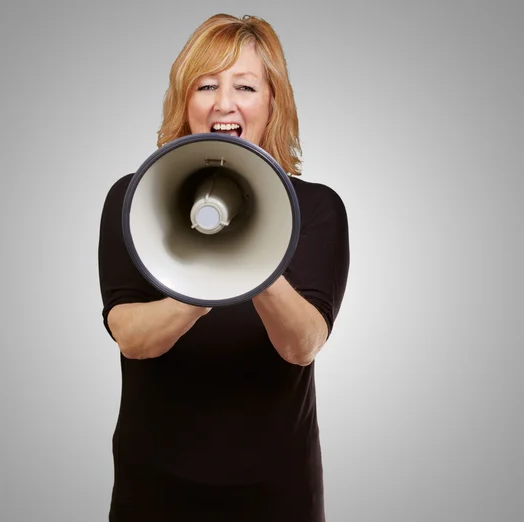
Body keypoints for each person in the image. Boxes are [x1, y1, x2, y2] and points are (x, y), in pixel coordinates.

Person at [98, 13, 350, 522]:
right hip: (154, 491)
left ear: (273, 102)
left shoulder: (319, 208)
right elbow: (132, 337)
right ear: (184, 101)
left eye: (246, 86)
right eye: (206, 84)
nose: (224, 103)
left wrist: (252, 257)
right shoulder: (134, 200)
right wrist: (204, 281)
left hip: (279, 494)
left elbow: (302, 345)